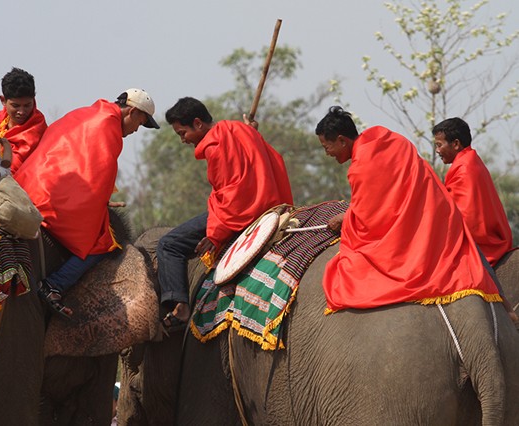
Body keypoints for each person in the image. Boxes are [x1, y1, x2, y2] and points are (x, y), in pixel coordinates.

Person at [315, 106, 501, 314]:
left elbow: (371, 216)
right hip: (437, 211)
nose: (327, 153)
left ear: (342, 140)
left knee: (348, 268)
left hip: (432, 221)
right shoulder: (385, 137)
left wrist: (346, 218)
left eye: (327, 147)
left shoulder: (361, 167)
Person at [15, 88, 159, 318]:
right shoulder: (108, 127)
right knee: (102, 242)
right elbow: (101, 174)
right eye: (139, 123)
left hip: (27, 183)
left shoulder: (86, 112)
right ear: (131, 111)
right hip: (49, 196)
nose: (135, 130)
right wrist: (100, 202)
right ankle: (54, 285)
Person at [158, 97, 293, 331]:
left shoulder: (214, 144)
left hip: (245, 210)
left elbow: (231, 194)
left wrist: (215, 234)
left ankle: (180, 308)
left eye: (182, 133)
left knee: (168, 244)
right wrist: (252, 133)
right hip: (270, 204)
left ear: (198, 123)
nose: (183, 140)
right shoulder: (241, 129)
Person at [432, 117, 513, 266]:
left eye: (439, 145)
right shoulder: (471, 160)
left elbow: (466, 218)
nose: (437, 150)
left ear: (456, 144)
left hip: (483, 247)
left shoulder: (464, 169)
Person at [0, 67, 48, 174]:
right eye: (15, 106)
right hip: (4, 180)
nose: (21, 111)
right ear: (3, 100)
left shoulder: (39, 125)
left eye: (27, 105)